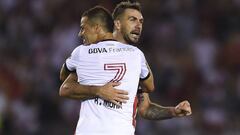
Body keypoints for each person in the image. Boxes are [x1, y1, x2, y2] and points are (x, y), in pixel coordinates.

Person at [60, 1, 191, 122]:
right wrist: (97, 90)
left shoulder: (135, 59)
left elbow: (145, 109)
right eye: (132, 20)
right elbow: (66, 87)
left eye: (141, 21)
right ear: (117, 24)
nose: (138, 25)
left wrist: (173, 111)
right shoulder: (90, 53)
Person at [60, 6, 154, 135]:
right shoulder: (136, 54)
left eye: (83, 28)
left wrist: (94, 88)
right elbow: (149, 86)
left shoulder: (81, 52)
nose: (80, 33)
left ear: (97, 28)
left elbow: (63, 80)